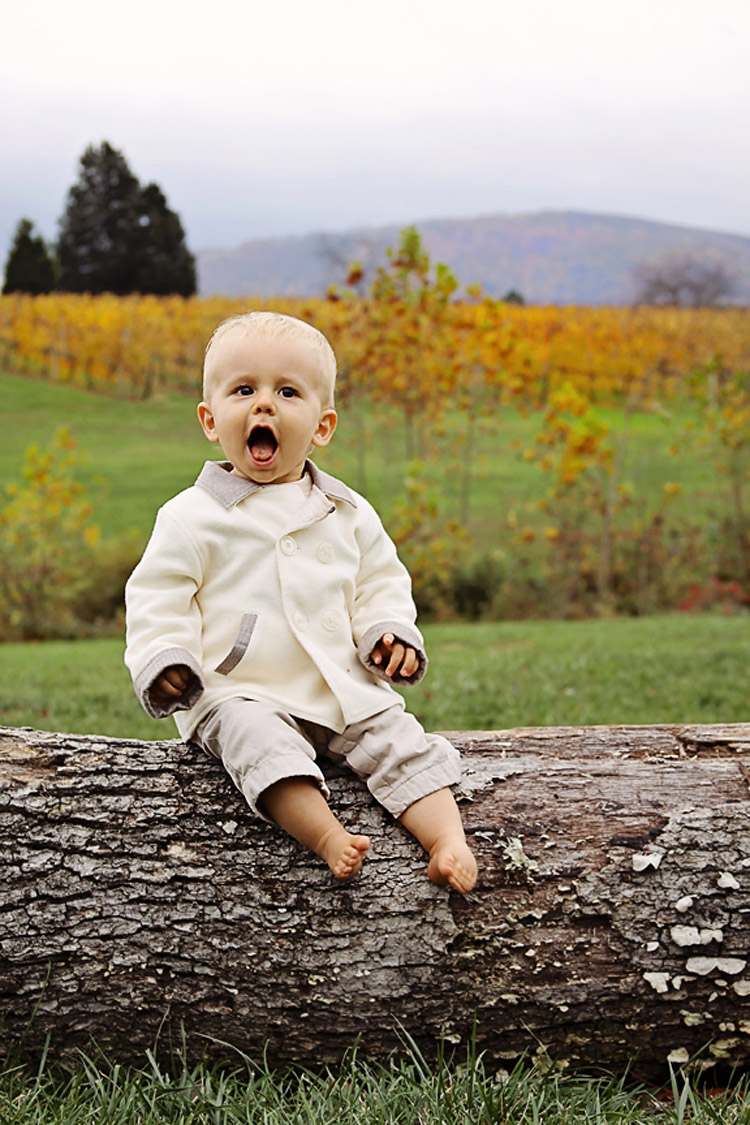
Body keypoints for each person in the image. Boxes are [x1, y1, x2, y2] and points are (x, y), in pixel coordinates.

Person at [125, 311, 477, 892]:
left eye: (287, 392)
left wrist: (388, 634)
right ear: (211, 421)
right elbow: (158, 596)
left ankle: (447, 839)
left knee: (399, 738)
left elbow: (379, 584)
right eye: (244, 390)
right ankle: (326, 835)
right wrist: (165, 660)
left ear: (322, 426)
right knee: (257, 744)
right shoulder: (191, 517)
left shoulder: (348, 512)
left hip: (339, 683)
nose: (264, 405)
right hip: (240, 689)